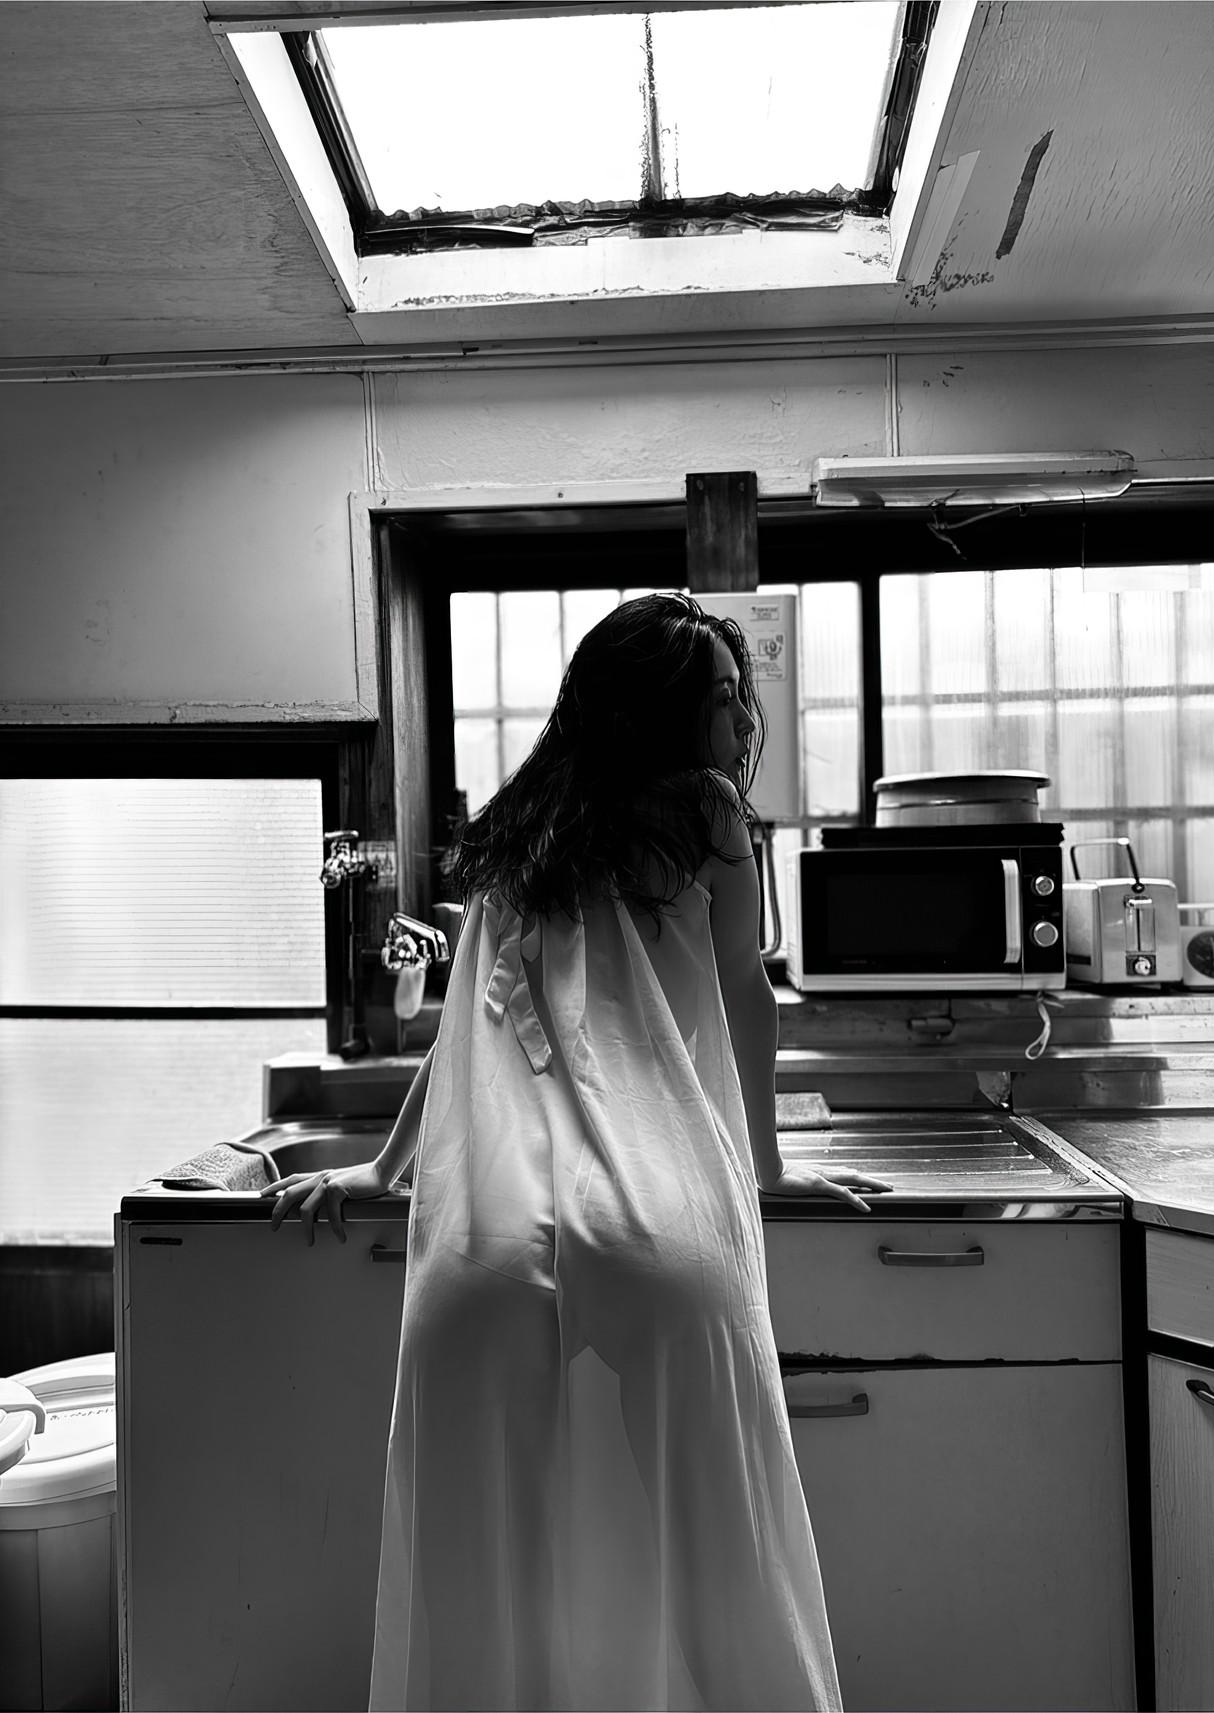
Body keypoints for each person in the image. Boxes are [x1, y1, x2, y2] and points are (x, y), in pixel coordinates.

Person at [262, 592, 890, 1713]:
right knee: (724, 1557)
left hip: (488, 1244)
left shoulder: (520, 829)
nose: (740, 724)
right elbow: (747, 995)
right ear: (664, 716)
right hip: (658, 1220)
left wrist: (380, 1169)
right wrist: (769, 1167)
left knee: (483, 1572)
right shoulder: (708, 814)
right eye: (723, 701)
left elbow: (465, 1028)